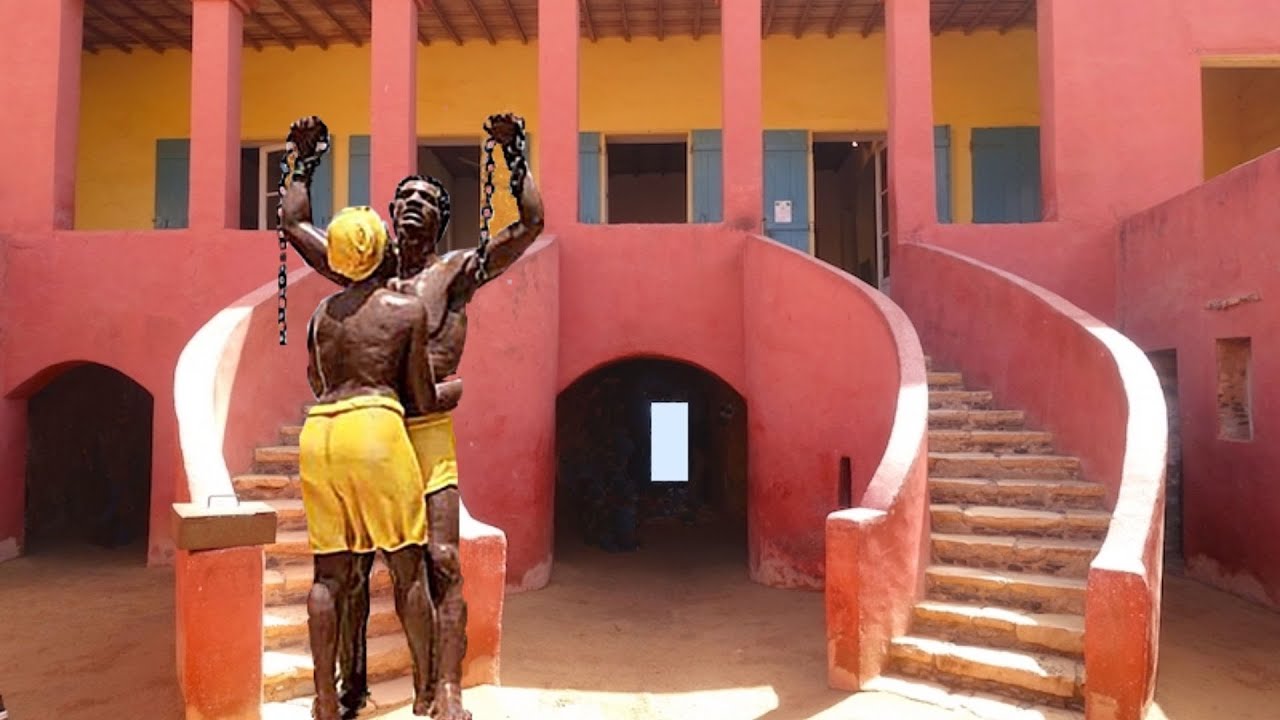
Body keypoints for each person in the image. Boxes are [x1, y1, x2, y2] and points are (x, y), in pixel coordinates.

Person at [282, 113, 544, 720]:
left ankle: (445, 689)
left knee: (442, 559)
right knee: (350, 567)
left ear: (441, 220)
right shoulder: (361, 271)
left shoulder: (452, 273)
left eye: (428, 198)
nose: (416, 204)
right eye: (407, 196)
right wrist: (305, 160)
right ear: (390, 213)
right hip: (370, 428)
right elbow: (295, 222)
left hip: (422, 434)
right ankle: (348, 687)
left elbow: (530, 224)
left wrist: (513, 155)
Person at [297, 204, 437, 720]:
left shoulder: (320, 316)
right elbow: (420, 397)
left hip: (321, 434)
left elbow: (317, 382)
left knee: (328, 576)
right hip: (377, 426)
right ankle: (424, 694)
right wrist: (451, 392)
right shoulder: (405, 310)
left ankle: (325, 699)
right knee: (408, 568)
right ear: (383, 249)